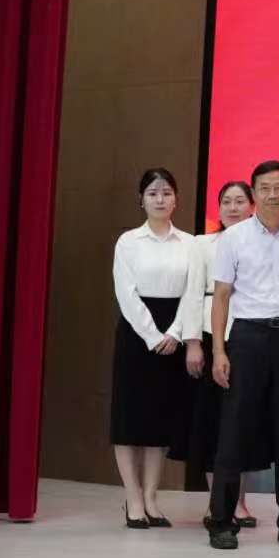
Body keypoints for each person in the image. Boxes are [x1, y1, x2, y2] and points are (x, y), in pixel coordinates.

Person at [205, 159, 279, 550]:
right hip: (248, 339)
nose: (273, 194)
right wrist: (219, 350)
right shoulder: (234, 238)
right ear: (254, 193)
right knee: (235, 429)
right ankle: (221, 521)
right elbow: (221, 296)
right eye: (265, 188)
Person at [110, 167, 204, 529]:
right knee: (129, 418)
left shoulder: (190, 243)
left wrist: (176, 333)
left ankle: (151, 497)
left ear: (176, 199)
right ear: (142, 200)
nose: (160, 199)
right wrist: (152, 336)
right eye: (153, 193)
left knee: (160, 419)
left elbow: (193, 291)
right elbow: (126, 293)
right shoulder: (129, 241)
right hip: (138, 334)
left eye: (166, 193)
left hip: (174, 331)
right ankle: (133, 497)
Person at [190, 179, 261, 528]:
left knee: (244, 421)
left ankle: (240, 502)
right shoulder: (203, 244)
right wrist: (192, 341)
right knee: (213, 422)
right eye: (226, 202)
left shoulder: (261, 241)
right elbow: (192, 293)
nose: (232, 208)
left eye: (239, 201)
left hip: (249, 335)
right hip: (209, 334)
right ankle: (215, 502)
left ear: (252, 206)